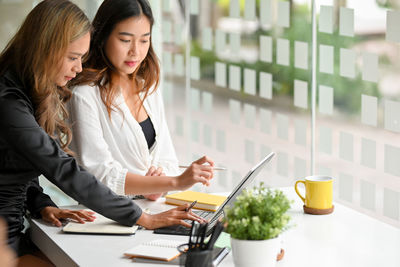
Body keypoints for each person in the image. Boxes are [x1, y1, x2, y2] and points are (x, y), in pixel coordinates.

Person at [0, 0, 207, 262]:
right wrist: (143, 217)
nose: (77, 69)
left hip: (16, 228)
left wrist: (42, 205)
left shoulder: (26, 90)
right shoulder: (8, 102)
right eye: (73, 58)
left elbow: (16, 166)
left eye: (81, 59)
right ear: (44, 49)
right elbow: (63, 168)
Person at [69, 0, 214, 200]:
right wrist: (168, 183)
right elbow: (98, 174)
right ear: (102, 37)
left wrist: (157, 186)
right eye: (125, 40)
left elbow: (168, 160)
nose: (135, 51)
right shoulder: (84, 95)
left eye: (144, 40)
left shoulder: (147, 88)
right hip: (107, 216)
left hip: (150, 210)